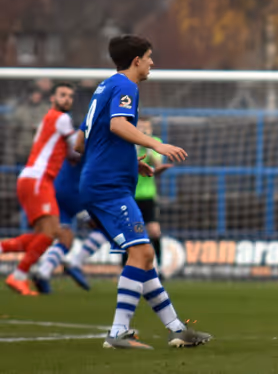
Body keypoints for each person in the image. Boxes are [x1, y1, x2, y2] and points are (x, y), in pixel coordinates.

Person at [78, 34, 211, 349]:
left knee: (144, 256)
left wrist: (130, 162)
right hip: (108, 187)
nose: (152, 63)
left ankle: (177, 328)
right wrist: (155, 144)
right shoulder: (126, 86)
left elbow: (84, 139)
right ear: (136, 60)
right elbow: (117, 125)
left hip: (105, 181)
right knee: (143, 252)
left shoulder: (106, 86)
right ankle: (118, 332)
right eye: (150, 57)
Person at [0, 83, 78, 295]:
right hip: (38, 180)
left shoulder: (48, 119)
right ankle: (19, 276)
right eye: (62, 95)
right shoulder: (61, 119)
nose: (67, 99)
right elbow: (77, 150)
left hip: (32, 179)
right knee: (52, 232)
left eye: (70, 96)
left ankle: (4, 252)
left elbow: (70, 154)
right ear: (52, 98)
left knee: (43, 235)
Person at [34, 142, 101, 293]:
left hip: (59, 190)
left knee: (66, 238)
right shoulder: (92, 138)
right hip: (74, 194)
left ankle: (43, 272)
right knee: (106, 228)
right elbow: (74, 154)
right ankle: (75, 263)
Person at [126, 116, 173, 269]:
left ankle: (159, 267)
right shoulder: (128, 143)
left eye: (146, 127)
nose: (143, 130)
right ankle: (124, 268)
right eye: (140, 127)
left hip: (148, 196)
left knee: (154, 231)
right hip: (130, 195)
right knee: (129, 233)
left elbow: (157, 166)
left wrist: (147, 146)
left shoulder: (155, 142)